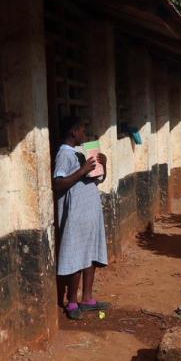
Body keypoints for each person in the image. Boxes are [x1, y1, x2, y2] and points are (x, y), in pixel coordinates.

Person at [53, 115, 110, 320]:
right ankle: (73, 301)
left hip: (89, 211)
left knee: (90, 254)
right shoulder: (64, 154)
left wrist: (103, 165)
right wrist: (83, 169)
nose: (85, 135)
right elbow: (59, 183)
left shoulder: (79, 153)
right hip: (76, 214)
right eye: (82, 131)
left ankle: (87, 298)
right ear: (73, 132)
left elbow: (95, 179)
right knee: (76, 256)